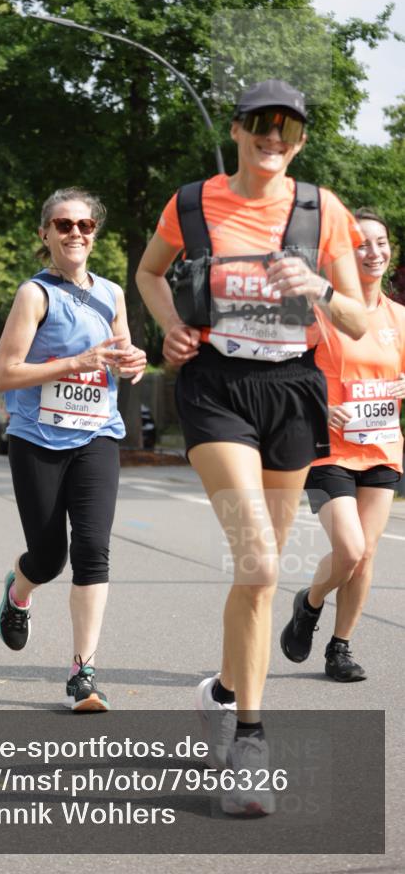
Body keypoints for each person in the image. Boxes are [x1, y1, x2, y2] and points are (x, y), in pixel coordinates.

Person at [136, 79, 367, 815]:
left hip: (292, 390)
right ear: (237, 129)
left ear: (300, 140)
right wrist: (170, 326)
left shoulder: (321, 209)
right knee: (261, 562)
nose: (274, 137)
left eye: (288, 129)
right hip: (217, 388)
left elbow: (357, 321)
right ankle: (249, 743)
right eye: (262, 124)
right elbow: (148, 271)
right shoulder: (192, 203)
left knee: (259, 581)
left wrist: (319, 289)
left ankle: (224, 689)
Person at [0, 187, 146, 712]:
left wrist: (133, 362)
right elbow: (5, 373)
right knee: (48, 557)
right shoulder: (35, 294)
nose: (75, 232)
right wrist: (75, 363)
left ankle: (84, 673)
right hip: (37, 437)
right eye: (63, 225)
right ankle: (18, 592)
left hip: (97, 434)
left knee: (92, 551)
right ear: (45, 233)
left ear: (95, 234)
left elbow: (120, 354)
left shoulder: (112, 294)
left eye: (84, 225)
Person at [281, 209, 405, 681]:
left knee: (366, 555)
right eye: (361, 244)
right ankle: (310, 603)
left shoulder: (399, 317)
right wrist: (318, 404)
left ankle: (340, 648)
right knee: (350, 550)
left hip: (382, 448)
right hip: (326, 448)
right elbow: (283, 376)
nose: (373, 252)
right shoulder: (316, 311)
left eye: (380, 242)